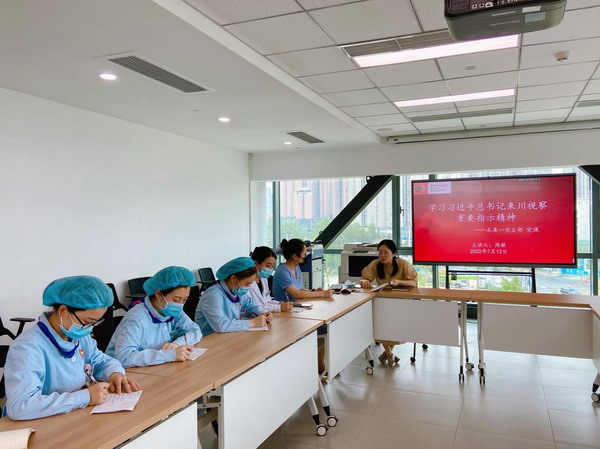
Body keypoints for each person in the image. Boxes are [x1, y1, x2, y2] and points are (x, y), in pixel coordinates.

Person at [3, 276, 140, 420]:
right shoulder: (28, 347)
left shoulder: (78, 335)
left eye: (94, 323)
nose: (89, 329)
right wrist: (85, 397)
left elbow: (100, 360)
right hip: (36, 422)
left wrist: (114, 373)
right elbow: (21, 406)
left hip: (69, 416)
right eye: (87, 322)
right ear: (63, 310)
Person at [106, 266, 202, 368]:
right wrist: (169, 355)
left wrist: (177, 344)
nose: (180, 304)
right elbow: (124, 358)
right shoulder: (136, 318)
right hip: (126, 372)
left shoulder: (173, 310)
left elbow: (195, 330)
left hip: (156, 368)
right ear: (158, 294)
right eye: (176, 299)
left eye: (184, 300)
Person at [359, 239, 418, 366]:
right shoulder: (375, 264)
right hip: (382, 301)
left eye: (386, 252)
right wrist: (364, 281)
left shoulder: (402, 264)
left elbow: (413, 283)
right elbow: (364, 278)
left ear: (393, 253)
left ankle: (387, 354)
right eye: (380, 252)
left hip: (400, 302)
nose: (382, 255)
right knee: (383, 326)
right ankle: (390, 354)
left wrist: (399, 282)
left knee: (395, 327)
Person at [195, 257, 272, 336]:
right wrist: (252, 323)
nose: (248, 287)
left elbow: (250, 306)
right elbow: (221, 325)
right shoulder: (213, 295)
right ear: (233, 278)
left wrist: (263, 312)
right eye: (246, 284)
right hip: (210, 339)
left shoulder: (236, 291)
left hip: (229, 335)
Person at [248, 246, 294, 313]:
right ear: (255, 263)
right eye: (268, 265)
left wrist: (279, 303)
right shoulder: (246, 282)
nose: (270, 269)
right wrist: (278, 308)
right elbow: (252, 307)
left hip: (265, 315)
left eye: (272, 266)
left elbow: (266, 301)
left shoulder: (263, 279)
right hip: (252, 317)